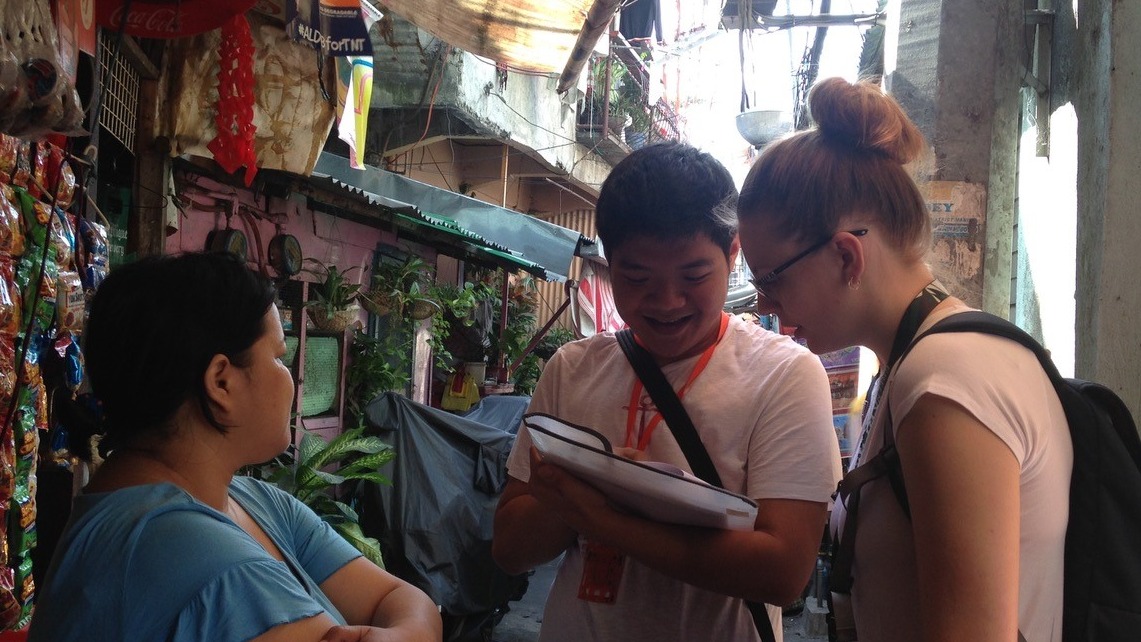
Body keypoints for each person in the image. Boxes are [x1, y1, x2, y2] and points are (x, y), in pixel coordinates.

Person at [735, 77, 1071, 642]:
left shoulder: (944, 381)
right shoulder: (915, 365)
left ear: (846, 256)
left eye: (770, 280)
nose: (765, 306)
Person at [492, 142, 841, 642]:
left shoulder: (784, 374)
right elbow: (509, 548)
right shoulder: (572, 369)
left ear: (733, 253)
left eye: (694, 275)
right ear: (610, 264)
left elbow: (783, 572)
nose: (667, 301)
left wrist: (603, 515)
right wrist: (583, 489)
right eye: (637, 278)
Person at [28, 252, 443, 642]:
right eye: (280, 357)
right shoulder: (197, 558)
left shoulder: (253, 502)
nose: (292, 378)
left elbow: (406, 602)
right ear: (221, 382)